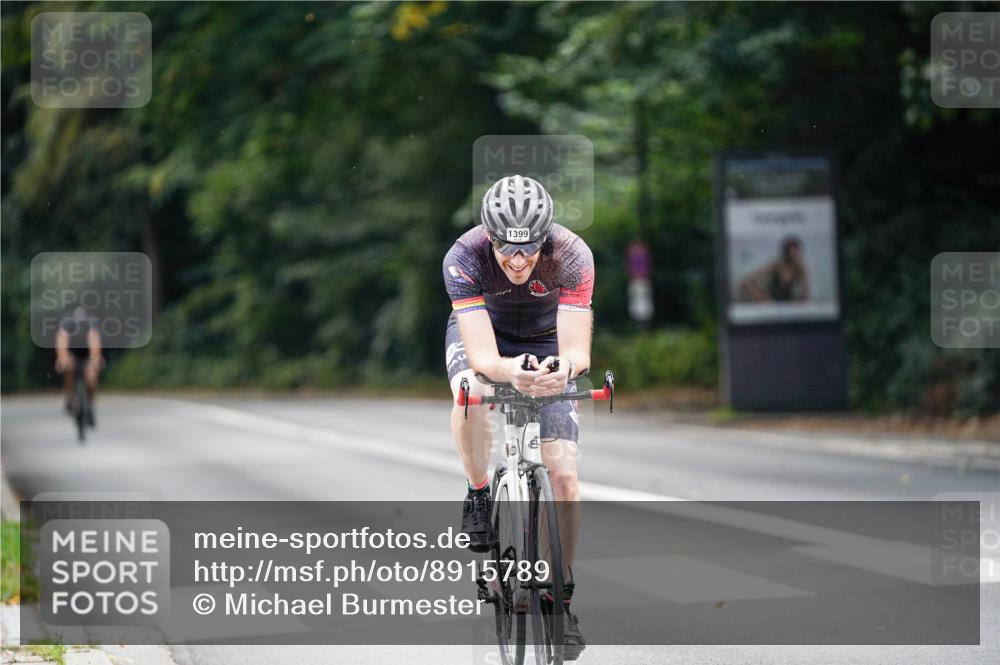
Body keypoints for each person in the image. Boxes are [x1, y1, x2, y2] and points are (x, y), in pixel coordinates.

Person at [442, 174, 594, 658]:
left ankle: (558, 596)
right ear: (490, 236)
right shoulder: (463, 257)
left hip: (548, 341)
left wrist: (560, 371)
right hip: (488, 338)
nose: (518, 260)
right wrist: (511, 372)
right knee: (470, 390)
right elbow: (485, 359)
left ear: (546, 237)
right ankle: (479, 491)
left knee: (565, 475)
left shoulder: (572, 254)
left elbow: (576, 352)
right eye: (507, 248)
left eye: (529, 250)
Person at [55, 306, 103, 425]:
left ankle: (90, 406)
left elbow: (95, 341)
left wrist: (95, 359)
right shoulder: (66, 322)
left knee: (92, 376)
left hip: (86, 353)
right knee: (68, 367)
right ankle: (70, 397)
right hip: (72, 352)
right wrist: (62, 358)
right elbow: (62, 341)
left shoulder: (91, 322)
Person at [738, 235, 811, 302]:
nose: (794, 255)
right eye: (792, 252)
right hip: (772, 301)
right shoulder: (776, 265)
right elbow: (747, 282)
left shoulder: (800, 268)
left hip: (788, 302)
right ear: (786, 252)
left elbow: (806, 293)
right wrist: (762, 298)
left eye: (796, 252)